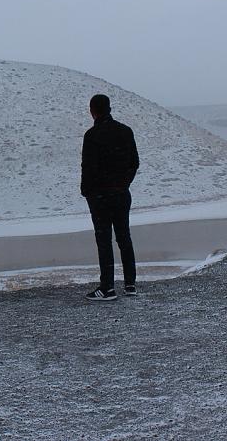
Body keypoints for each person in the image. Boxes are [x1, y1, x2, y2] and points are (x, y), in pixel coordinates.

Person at [81, 94, 140, 301]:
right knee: (124, 237)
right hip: (121, 193)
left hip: (100, 197)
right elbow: (134, 162)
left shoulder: (92, 135)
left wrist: (87, 192)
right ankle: (130, 284)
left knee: (104, 240)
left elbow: (88, 168)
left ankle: (107, 287)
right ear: (109, 108)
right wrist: (124, 183)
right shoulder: (125, 131)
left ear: (92, 111)